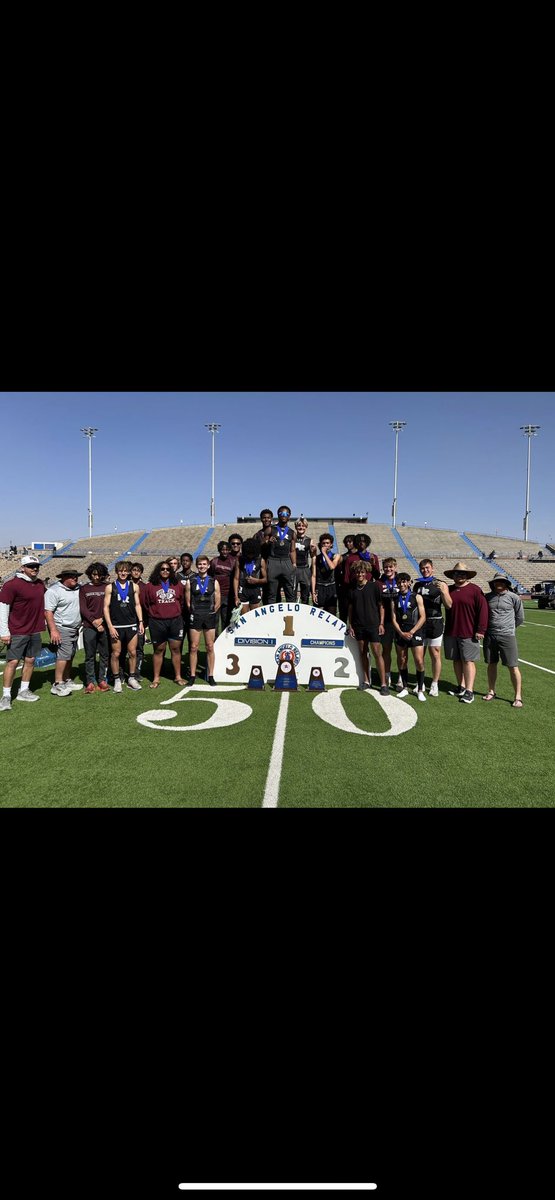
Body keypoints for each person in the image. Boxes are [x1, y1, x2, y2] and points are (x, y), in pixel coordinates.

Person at [0, 554, 46, 710]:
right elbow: (3, 608)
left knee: (30, 660)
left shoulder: (40, 584)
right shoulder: (11, 585)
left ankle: (24, 690)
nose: (35, 569)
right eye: (31, 566)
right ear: (22, 568)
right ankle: (6, 695)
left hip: (34, 630)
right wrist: (4, 632)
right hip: (17, 630)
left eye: (37, 566)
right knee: (12, 662)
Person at [443, 562, 489, 704]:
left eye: (463, 573)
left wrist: (481, 629)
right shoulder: (448, 589)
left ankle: (470, 691)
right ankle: (461, 686)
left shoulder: (475, 590)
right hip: (452, 631)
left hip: (469, 631)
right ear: (453, 575)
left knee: (468, 661)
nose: (460, 575)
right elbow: (447, 605)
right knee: (456, 660)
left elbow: (483, 610)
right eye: (457, 573)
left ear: (467, 575)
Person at [483, 574, 525, 708]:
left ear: (506, 583)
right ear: (493, 583)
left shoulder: (514, 597)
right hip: (490, 636)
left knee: (513, 666)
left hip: (507, 636)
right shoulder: (488, 597)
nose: (499, 583)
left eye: (502, 581)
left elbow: (520, 617)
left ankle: (518, 697)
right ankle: (491, 691)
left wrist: (509, 629)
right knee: (491, 663)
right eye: (497, 581)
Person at [412, 558, 453, 697]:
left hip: (435, 622)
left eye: (427, 568)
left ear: (432, 568)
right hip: (420, 623)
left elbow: (448, 605)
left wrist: (444, 592)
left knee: (435, 653)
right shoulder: (417, 585)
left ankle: (435, 683)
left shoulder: (440, 583)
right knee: (419, 655)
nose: (425, 570)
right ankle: (421, 681)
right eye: (423, 568)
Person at [347, 559, 388, 694]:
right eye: (358, 572)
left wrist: (381, 623)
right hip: (359, 626)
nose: (360, 574)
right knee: (363, 654)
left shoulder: (374, 586)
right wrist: (351, 624)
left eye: (362, 572)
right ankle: (366, 681)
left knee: (377, 654)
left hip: (373, 625)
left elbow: (381, 606)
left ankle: (383, 684)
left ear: (366, 573)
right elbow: (351, 608)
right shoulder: (352, 589)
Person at [144, 561, 187, 689]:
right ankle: (156, 678)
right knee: (158, 650)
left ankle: (178, 676)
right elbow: (146, 604)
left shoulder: (177, 584)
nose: (165, 571)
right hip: (157, 622)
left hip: (175, 621)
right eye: (162, 569)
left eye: (168, 569)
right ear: (158, 570)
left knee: (176, 649)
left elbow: (182, 602)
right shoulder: (150, 586)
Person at [103, 561, 144, 693]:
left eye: (126, 570)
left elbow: (138, 605)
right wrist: (110, 626)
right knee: (116, 653)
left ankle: (131, 678)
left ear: (129, 572)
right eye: (121, 570)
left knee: (132, 652)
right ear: (116, 571)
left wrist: (141, 622)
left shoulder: (134, 586)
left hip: (131, 624)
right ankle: (116, 679)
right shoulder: (110, 587)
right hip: (116, 625)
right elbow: (106, 607)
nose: (123, 573)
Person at [45, 569, 85, 697]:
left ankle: (67, 679)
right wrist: (53, 630)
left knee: (70, 654)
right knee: (63, 655)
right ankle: (58, 683)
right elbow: (48, 612)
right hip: (62, 627)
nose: (75, 578)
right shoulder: (53, 591)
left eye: (76, 576)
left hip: (75, 627)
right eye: (72, 576)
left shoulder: (79, 588)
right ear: (63, 577)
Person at [390, 573, 427, 700]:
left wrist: (412, 631)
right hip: (401, 633)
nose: (401, 584)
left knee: (419, 661)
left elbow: (423, 617)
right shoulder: (395, 598)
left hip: (415, 632)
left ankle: (420, 689)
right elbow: (393, 618)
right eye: (399, 582)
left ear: (409, 583)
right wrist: (400, 632)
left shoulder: (417, 597)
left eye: (404, 582)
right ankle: (405, 687)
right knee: (402, 660)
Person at [185, 554, 221, 686]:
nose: (202, 566)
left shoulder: (213, 581)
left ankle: (211, 675)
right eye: (199, 564)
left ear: (208, 566)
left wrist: (211, 612)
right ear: (197, 566)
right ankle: (193, 675)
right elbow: (188, 602)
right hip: (196, 615)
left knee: (210, 646)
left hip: (209, 615)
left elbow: (218, 601)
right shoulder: (191, 581)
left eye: (204, 564)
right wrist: (195, 612)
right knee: (193, 647)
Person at [79, 562, 110, 693]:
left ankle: (102, 679)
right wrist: (94, 622)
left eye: (99, 574)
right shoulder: (84, 588)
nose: (96, 577)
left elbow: (110, 606)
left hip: (105, 626)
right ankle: (90, 681)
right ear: (90, 574)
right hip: (89, 626)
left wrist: (102, 620)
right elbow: (83, 608)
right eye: (94, 574)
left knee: (104, 654)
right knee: (89, 655)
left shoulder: (108, 587)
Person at [266, 505, 297, 603]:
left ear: (289, 516)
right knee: (272, 593)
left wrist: (294, 563)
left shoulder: (292, 533)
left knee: (290, 592)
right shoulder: (271, 529)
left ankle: (291, 616)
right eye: (281, 513)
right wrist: (268, 542)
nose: (284, 515)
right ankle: (272, 618)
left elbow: (292, 550)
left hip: (286, 561)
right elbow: (262, 544)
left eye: (286, 514)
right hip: (273, 561)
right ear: (278, 515)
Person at [378, 557, 400, 689]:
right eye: (386, 567)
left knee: (400, 652)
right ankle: (387, 675)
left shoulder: (401, 580)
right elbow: (380, 604)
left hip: (401, 622)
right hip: (386, 622)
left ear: (395, 567)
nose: (388, 569)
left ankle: (401, 678)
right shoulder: (380, 582)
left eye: (391, 567)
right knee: (386, 650)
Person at [233, 537, 267, 614]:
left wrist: (256, 580)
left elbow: (265, 579)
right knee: (244, 618)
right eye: (248, 553)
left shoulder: (261, 560)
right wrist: (236, 596)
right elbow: (236, 578)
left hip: (255, 590)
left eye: (252, 554)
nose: (250, 556)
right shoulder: (239, 560)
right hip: (243, 590)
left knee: (255, 617)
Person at [209, 540, 236, 632]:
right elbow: (210, 575)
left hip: (228, 594)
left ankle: (224, 640)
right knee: (215, 619)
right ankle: (215, 641)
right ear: (219, 550)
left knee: (226, 619)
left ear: (229, 550)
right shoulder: (214, 561)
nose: (224, 552)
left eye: (226, 549)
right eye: (222, 550)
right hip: (216, 594)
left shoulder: (233, 561)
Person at [311, 533, 340, 615]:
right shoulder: (316, 558)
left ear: (331, 545)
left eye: (327, 543)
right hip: (320, 588)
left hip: (331, 587)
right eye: (323, 543)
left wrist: (324, 553)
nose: (325, 545)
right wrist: (313, 593)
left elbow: (332, 567)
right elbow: (313, 576)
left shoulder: (336, 556)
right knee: (318, 615)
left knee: (331, 615)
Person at [129, 563, 147, 680]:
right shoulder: (124, 585)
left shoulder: (144, 587)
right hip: (126, 621)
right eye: (134, 570)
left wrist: (144, 622)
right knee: (127, 649)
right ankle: (123, 672)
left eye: (138, 570)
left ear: (141, 572)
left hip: (140, 622)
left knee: (139, 648)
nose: (136, 572)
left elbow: (146, 605)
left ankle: (137, 672)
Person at [293, 518, 315, 604]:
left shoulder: (310, 540)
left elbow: (313, 556)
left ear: (306, 527)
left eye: (303, 526)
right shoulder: (292, 538)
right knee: (292, 593)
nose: (301, 527)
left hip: (305, 569)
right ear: (296, 527)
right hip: (294, 568)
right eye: (299, 525)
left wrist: (313, 571)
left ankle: (304, 615)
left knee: (305, 595)